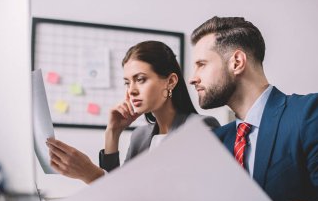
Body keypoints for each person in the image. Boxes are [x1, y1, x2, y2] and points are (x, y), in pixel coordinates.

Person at [189, 16, 318, 201]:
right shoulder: (216, 140)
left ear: (237, 62)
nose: (193, 78)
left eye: (201, 64)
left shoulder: (311, 112)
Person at [47, 40, 219, 184]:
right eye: (127, 83)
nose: (131, 91)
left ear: (171, 81)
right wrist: (112, 133)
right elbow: (116, 195)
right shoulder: (140, 136)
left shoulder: (200, 128)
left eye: (141, 79)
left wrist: (92, 175)